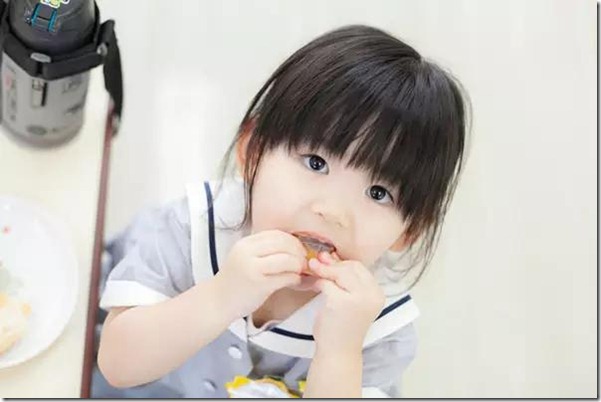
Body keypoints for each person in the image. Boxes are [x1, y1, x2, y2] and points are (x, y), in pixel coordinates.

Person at [95, 24, 470, 398]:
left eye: (378, 193)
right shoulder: (196, 228)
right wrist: (223, 295)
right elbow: (117, 364)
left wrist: (340, 351)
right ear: (253, 150)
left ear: (410, 231)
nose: (332, 212)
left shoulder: (377, 327)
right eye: (316, 163)